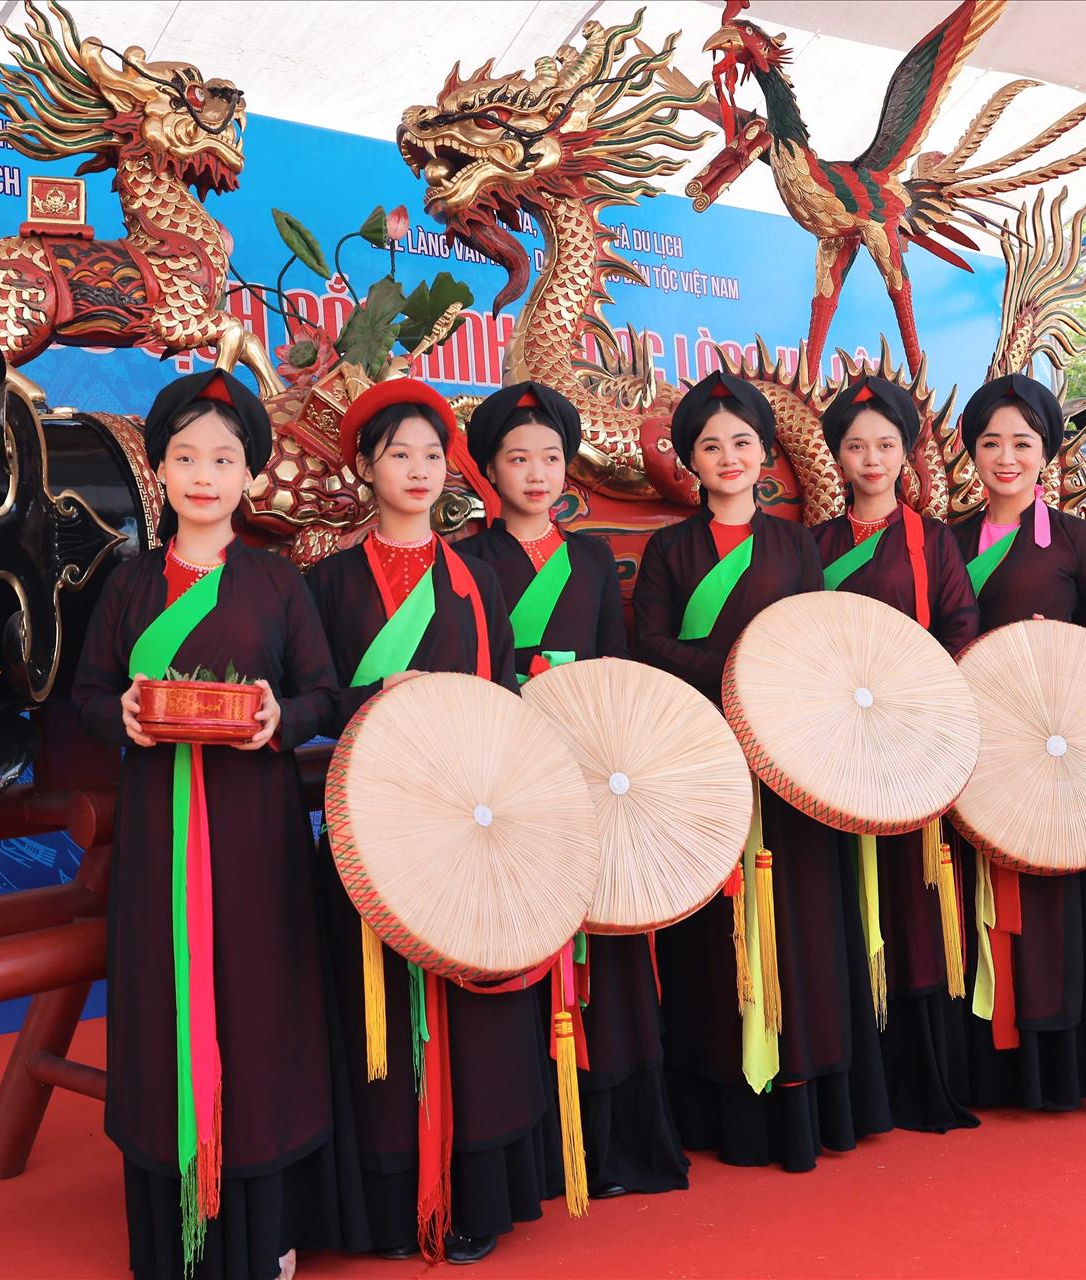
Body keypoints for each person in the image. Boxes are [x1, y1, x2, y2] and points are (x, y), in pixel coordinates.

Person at [70, 369, 345, 1280]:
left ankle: (268, 1228)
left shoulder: (276, 581)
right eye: (185, 458)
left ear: (250, 475)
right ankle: (173, 1236)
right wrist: (122, 717)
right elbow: (88, 694)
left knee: (260, 1007)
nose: (203, 475)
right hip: (158, 831)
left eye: (223, 460)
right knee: (162, 1006)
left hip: (254, 831)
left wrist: (278, 717)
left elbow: (322, 694)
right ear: (158, 469)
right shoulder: (128, 583)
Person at [305, 378, 550, 1267]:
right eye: (398, 454)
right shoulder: (326, 582)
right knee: (376, 1004)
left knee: (471, 1004)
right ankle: (388, 1198)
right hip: (372, 821)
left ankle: (475, 1191)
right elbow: (311, 698)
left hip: (464, 817)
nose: (417, 469)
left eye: (432, 455)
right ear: (365, 468)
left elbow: (504, 692)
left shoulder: (478, 579)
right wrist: (375, 694)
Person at [633, 369, 892, 1172]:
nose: (729, 456)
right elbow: (648, 645)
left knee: (803, 923)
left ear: (766, 453)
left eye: (742, 442)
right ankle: (725, 1107)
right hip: (706, 758)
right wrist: (735, 671)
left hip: (790, 763)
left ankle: (807, 1092)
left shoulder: (794, 543)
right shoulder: (669, 548)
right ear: (689, 461)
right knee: (713, 935)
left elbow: (815, 643)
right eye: (711, 446)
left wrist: (772, 690)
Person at [457, 380, 689, 1199]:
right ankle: (541, 1151)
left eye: (551, 458)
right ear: (489, 470)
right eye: (518, 459)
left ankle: (614, 1144)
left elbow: (615, 668)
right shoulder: (468, 564)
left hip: (587, 771)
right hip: (510, 778)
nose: (537, 473)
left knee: (608, 956)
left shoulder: (591, 559)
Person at [947, 374, 1086, 1112]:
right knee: (972, 892)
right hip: (972, 744)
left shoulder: (1073, 538)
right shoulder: (947, 539)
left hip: (1048, 746)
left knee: (1050, 893)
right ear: (971, 452)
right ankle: (982, 1065)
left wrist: (1064, 644)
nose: (1006, 458)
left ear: (1047, 452)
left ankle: (1057, 1060)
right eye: (991, 443)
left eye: (1022, 443)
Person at [812, 374, 980, 1134]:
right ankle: (859, 1081)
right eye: (857, 446)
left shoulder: (933, 541)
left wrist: (914, 701)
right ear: (838, 457)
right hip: (829, 748)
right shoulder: (812, 545)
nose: (872, 459)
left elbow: (959, 631)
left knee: (912, 905)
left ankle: (922, 1081)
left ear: (907, 453)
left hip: (909, 744)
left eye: (886, 445)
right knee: (843, 900)